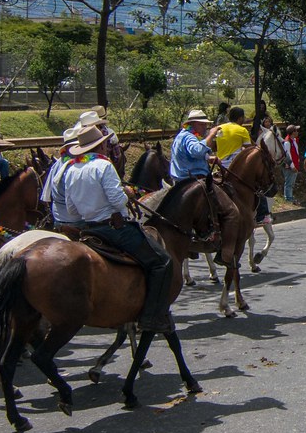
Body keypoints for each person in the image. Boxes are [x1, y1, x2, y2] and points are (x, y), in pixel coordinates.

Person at [63, 125, 172, 332]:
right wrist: (128, 193)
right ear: (101, 145)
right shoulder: (104, 166)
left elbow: (72, 209)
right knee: (162, 262)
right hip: (114, 228)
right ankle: (150, 316)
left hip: (88, 229)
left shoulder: (72, 169)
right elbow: (118, 201)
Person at [170, 109, 241, 266]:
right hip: (194, 181)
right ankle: (226, 254)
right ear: (195, 124)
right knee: (232, 211)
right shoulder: (189, 137)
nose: (205, 128)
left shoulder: (182, 136)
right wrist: (212, 135)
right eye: (203, 125)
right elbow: (196, 150)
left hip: (182, 180)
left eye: (207, 126)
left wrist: (209, 158)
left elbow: (192, 154)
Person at [40, 125, 86, 231]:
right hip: (76, 221)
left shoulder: (57, 164)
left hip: (58, 218)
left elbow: (46, 196)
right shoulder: (76, 166)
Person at [282, 124, 302, 202]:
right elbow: (288, 155)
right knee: (289, 182)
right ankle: (288, 198)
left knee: (292, 182)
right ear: (293, 132)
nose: (297, 132)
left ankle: (289, 196)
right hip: (290, 165)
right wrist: (292, 165)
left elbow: (295, 151)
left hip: (295, 164)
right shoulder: (287, 142)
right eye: (296, 130)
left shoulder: (294, 140)